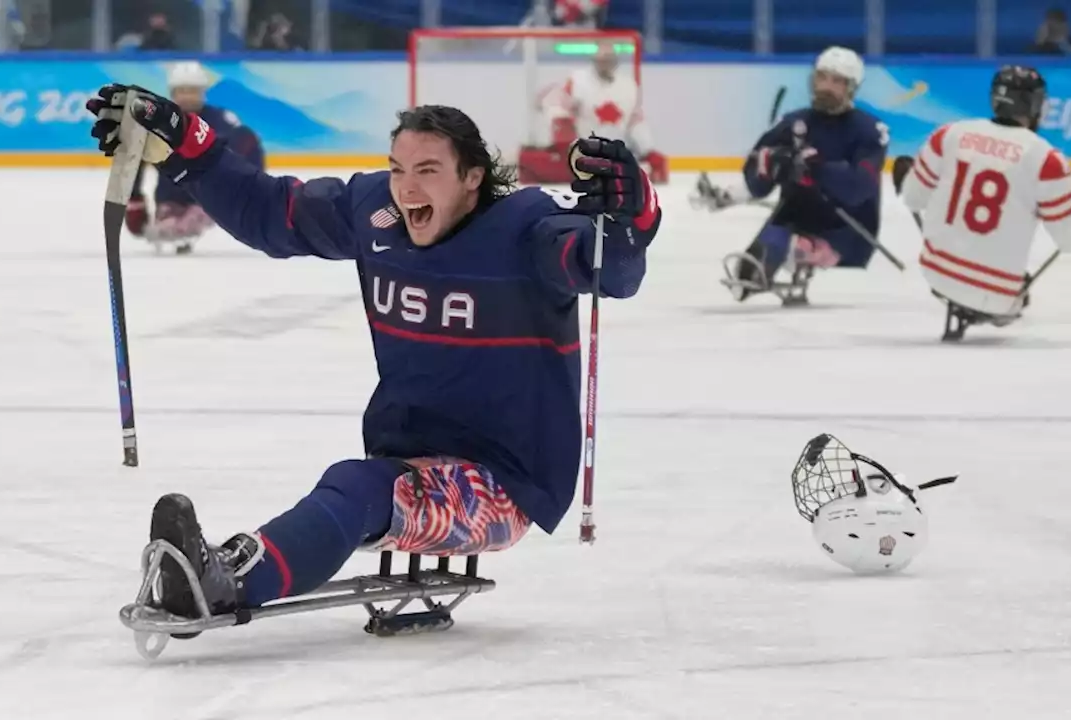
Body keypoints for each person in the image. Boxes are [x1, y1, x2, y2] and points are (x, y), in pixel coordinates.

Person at [86, 84, 662, 619]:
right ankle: (226, 570)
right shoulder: (376, 212)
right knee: (362, 484)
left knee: (357, 487)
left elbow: (607, 267)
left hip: (504, 483)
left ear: (472, 178)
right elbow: (268, 213)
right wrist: (190, 143)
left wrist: (634, 217)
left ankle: (228, 583)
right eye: (399, 169)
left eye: (429, 171)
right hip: (408, 456)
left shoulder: (524, 230)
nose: (407, 187)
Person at [893, 65, 1071, 341]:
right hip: (997, 294)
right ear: (1034, 104)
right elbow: (1069, 239)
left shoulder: (949, 134)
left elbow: (913, 197)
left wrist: (907, 177)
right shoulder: (1046, 159)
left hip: (935, 272)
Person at [693, 46, 887, 304]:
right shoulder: (793, 122)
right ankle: (788, 253)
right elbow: (756, 173)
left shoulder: (869, 131)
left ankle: (803, 252)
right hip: (796, 215)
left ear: (851, 87)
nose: (826, 86)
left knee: (795, 249)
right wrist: (769, 165)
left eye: (836, 81)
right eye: (822, 77)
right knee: (750, 272)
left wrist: (814, 167)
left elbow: (858, 188)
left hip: (847, 225)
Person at [126, 62, 264, 254]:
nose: (187, 96)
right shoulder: (157, 121)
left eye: (193, 91)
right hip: (170, 195)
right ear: (172, 93)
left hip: (210, 193)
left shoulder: (221, 120)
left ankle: (201, 209)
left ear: (203, 92)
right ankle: (173, 212)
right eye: (182, 90)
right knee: (166, 230)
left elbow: (249, 145)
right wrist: (134, 200)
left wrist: (254, 192)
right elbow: (133, 158)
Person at [530, 42, 668, 184]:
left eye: (608, 59)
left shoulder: (628, 86)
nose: (604, 63)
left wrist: (647, 149)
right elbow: (553, 103)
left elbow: (636, 121)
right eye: (600, 60)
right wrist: (562, 124)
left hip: (617, 151)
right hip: (584, 151)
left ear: (615, 61)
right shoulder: (578, 81)